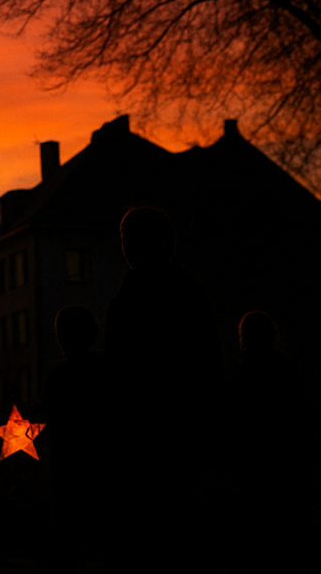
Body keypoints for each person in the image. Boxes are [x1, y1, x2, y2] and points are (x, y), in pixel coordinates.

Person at [103, 207, 220, 567]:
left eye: (130, 241)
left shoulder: (145, 295)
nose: (126, 249)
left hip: (162, 428)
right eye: (125, 241)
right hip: (161, 428)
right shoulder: (177, 291)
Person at [222, 312, 312, 572]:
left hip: (246, 481)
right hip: (285, 481)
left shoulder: (235, 380)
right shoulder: (291, 378)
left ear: (242, 339)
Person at [40, 306, 112, 572]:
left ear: (62, 336)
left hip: (68, 460)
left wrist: (22, 408)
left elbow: (45, 412)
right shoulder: (106, 369)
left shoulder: (61, 375)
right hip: (102, 458)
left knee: (65, 523)